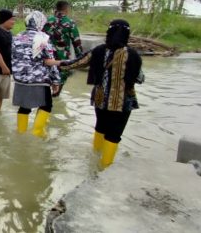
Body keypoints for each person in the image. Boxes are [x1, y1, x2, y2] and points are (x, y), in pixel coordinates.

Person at [57, 19, 143, 168]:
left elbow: (77, 63)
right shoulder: (133, 55)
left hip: (100, 98)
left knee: (100, 127)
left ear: (109, 32)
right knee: (114, 134)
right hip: (121, 102)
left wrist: (57, 63)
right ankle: (104, 167)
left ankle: (95, 156)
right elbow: (140, 78)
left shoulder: (99, 50)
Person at [11, 11, 61, 137]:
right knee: (46, 106)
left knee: (24, 107)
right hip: (39, 79)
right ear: (41, 23)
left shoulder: (18, 37)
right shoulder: (43, 38)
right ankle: (38, 132)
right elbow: (50, 61)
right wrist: (56, 81)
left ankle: (21, 133)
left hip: (20, 80)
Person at [42, 0, 83, 89]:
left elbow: (40, 38)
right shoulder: (70, 23)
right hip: (62, 59)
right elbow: (77, 43)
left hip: (47, 58)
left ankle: (49, 99)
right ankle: (56, 97)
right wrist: (81, 58)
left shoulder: (47, 21)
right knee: (60, 81)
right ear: (67, 9)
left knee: (47, 81)